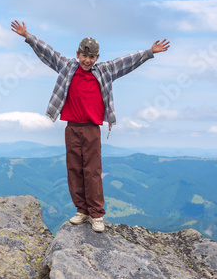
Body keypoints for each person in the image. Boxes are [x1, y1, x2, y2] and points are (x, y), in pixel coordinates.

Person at [11, 20, 170, 232]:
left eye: (91, 56)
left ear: (97, 58)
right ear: (78, 55)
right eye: (84, 56)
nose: (87, 60)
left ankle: (96, 214)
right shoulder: (67, 67)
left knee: (92, 171)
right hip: (72, 128)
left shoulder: (105, 70)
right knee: (74, 169)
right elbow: (48, 53)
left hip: (92, 129)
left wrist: (150, 52)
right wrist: (28, 37)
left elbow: (127, 62)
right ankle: (82, 211)